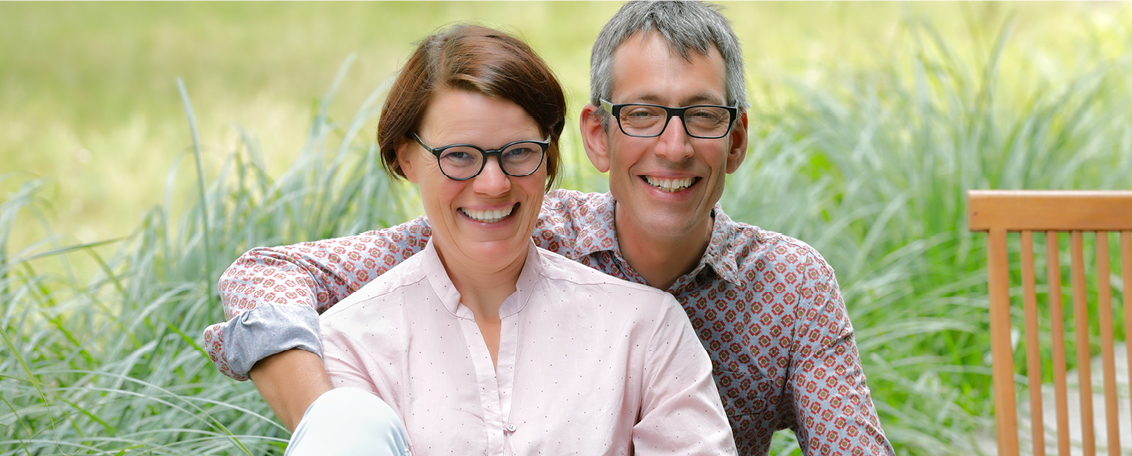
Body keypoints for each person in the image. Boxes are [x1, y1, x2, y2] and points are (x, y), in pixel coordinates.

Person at [205, 2, 895, 455]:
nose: (674, 146)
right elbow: (268, 274)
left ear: (736, 139)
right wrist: (330, 418)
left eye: (702, 116)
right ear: (597, 136)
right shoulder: (518, 225)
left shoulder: (788, 288)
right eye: (643, 114)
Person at [283, 24, 735, 455]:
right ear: (407, 157)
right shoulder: (350, 346)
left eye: (519, 152)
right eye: (459, 156)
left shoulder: (645, 330)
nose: (494, 184)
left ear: (549, 155)